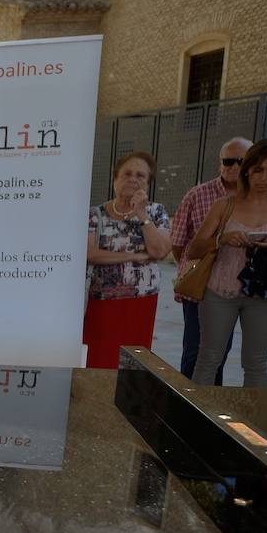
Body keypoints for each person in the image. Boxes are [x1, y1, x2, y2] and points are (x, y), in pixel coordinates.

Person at [187, 139, 267, 388]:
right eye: (258, 170)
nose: (264, 178)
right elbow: (194, 249)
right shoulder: (224, 205)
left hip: (265, 293)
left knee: (256, 363)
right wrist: (221, 239)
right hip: (220, 290)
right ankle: (195, 420)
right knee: (208, 358)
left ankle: (253, 423)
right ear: (247, 170)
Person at [170, 137, 250, 383]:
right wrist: (196, 269)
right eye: (228, 161)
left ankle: (212, 406)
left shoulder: (258, 199)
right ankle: (188, 406)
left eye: (241, 161)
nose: (234, 166)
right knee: (195, 351)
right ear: (220, 164)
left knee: (219, 352)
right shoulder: (198, 194)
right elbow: (178, 244)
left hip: (235, 286)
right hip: (201, 287)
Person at [83, 151, 173, 369]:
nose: (133, 179)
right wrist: (133, 256)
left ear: (148, 183)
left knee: (132, 362)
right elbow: (90, 254)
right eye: (127, 174)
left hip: (140, 301)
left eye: (140, 175)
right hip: (101, 302)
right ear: (115, 179)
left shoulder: (156, 212)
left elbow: (159, 250)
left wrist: (141, 215)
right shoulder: (96, 214)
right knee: (99, 358)